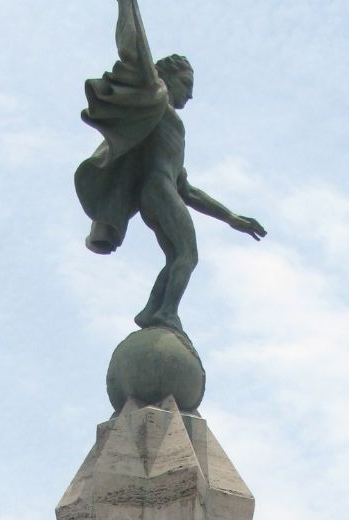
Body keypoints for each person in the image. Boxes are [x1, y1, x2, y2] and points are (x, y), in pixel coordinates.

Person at [76, 0, 266, 335]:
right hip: (157, 189)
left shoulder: (170, 123)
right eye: (187, 84)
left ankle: (154, 310)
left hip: (163, 189)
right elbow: (135, 46)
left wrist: (230, 217)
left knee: (178, 255)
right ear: (166, 78)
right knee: (187, 256)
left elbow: (187, 190)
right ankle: (165, 313)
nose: (190, 95)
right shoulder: (155, 99)